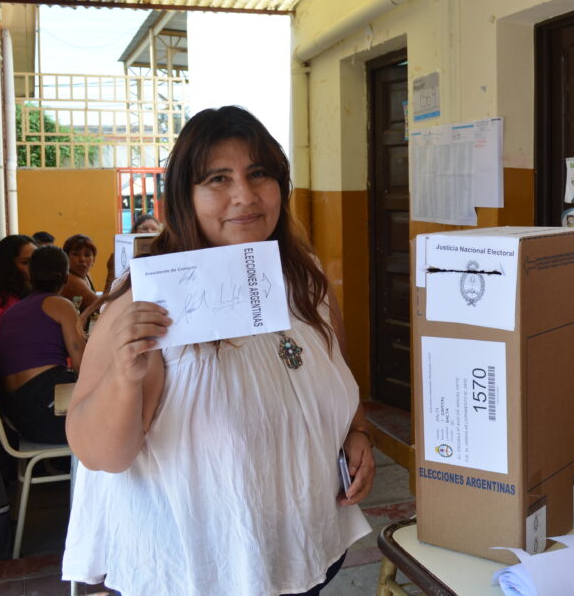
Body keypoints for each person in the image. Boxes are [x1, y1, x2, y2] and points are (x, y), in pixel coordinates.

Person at [63, 106, 375, 595]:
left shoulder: (304, 280)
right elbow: (100, 454)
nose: (245, 197)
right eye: (217, 179)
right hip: (198, 568)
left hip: (302, 548)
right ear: (184, 197)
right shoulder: (146, 302)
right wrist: (123, 376)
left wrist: (356, 433)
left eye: (259, 175)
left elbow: (334, 375)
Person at [0, 245, 85, 444]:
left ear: (30, 276)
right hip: (48, 412)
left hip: (19, 419)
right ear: (65, 278)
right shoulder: (61, 305)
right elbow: (82, 364)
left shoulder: (11, 312)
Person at [103, 213, 162, 292]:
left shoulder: (163, 256)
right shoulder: (117, 256)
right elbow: (110, 287)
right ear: (135, 231)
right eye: (144, 229)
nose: (149, 232)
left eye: (154, 229)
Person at [60, 234, 98, 313]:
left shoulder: (86, 275)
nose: (82, 259)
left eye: (87, 255)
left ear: (93, 260)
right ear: (66, 258)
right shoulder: (71, 280)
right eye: (75, 254)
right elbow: (101, 306)